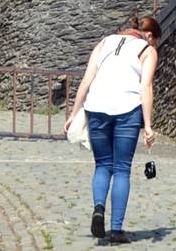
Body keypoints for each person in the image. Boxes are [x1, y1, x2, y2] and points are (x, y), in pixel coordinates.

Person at [64, 14, 161, 244]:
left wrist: (74, 113)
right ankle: (116, 230)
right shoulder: (147, 50)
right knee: (121, 169)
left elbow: (86, 81)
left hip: (96, 108)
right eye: (154, 40)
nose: (154, 44)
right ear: (149, 35)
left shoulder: (104, 42)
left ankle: (99, 208)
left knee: (103, 165)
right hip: (128, 110)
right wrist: (148, 126)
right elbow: (145, 87)